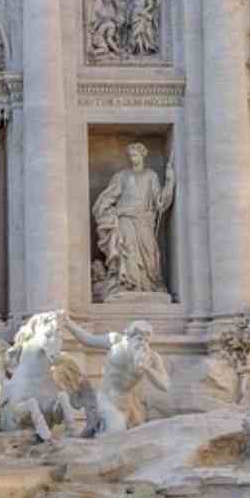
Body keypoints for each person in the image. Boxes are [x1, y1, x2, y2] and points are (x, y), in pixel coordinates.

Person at [92, 142, 174, 299]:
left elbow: (159, 202)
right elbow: (109, 197)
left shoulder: (151, 176)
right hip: (125, 218)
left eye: (135, 155)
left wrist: (169, 181)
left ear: (143, 155)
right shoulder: (122, 176)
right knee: (127, 250)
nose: (132, 158)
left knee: (149, 253)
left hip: (144, 219)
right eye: (130, 156)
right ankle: (128, 284)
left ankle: (149, 284)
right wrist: (105, 211)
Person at [64, 317, 170, 435]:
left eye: (146, 341)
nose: (143, 344)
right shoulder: (115, 341)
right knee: (116, 430)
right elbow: (88, 340)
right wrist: (68, 323)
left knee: (136, 437)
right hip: (107, 398)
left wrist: (148, 369)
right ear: (129, 337)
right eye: (139, 339)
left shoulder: (152, 358)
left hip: (129, 403)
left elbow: (165, 385)